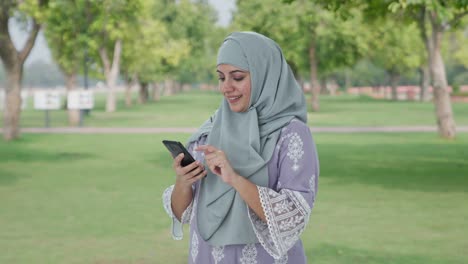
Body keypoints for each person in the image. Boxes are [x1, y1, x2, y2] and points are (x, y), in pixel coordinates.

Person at [162, 31, 319, 264]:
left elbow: (293, 216)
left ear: (265, 75)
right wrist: (183, 182)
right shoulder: (211, 129)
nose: (226, 87)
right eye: (221, 78)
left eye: (237, 77)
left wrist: (235, 178)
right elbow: (184, 213)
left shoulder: (291, 134)